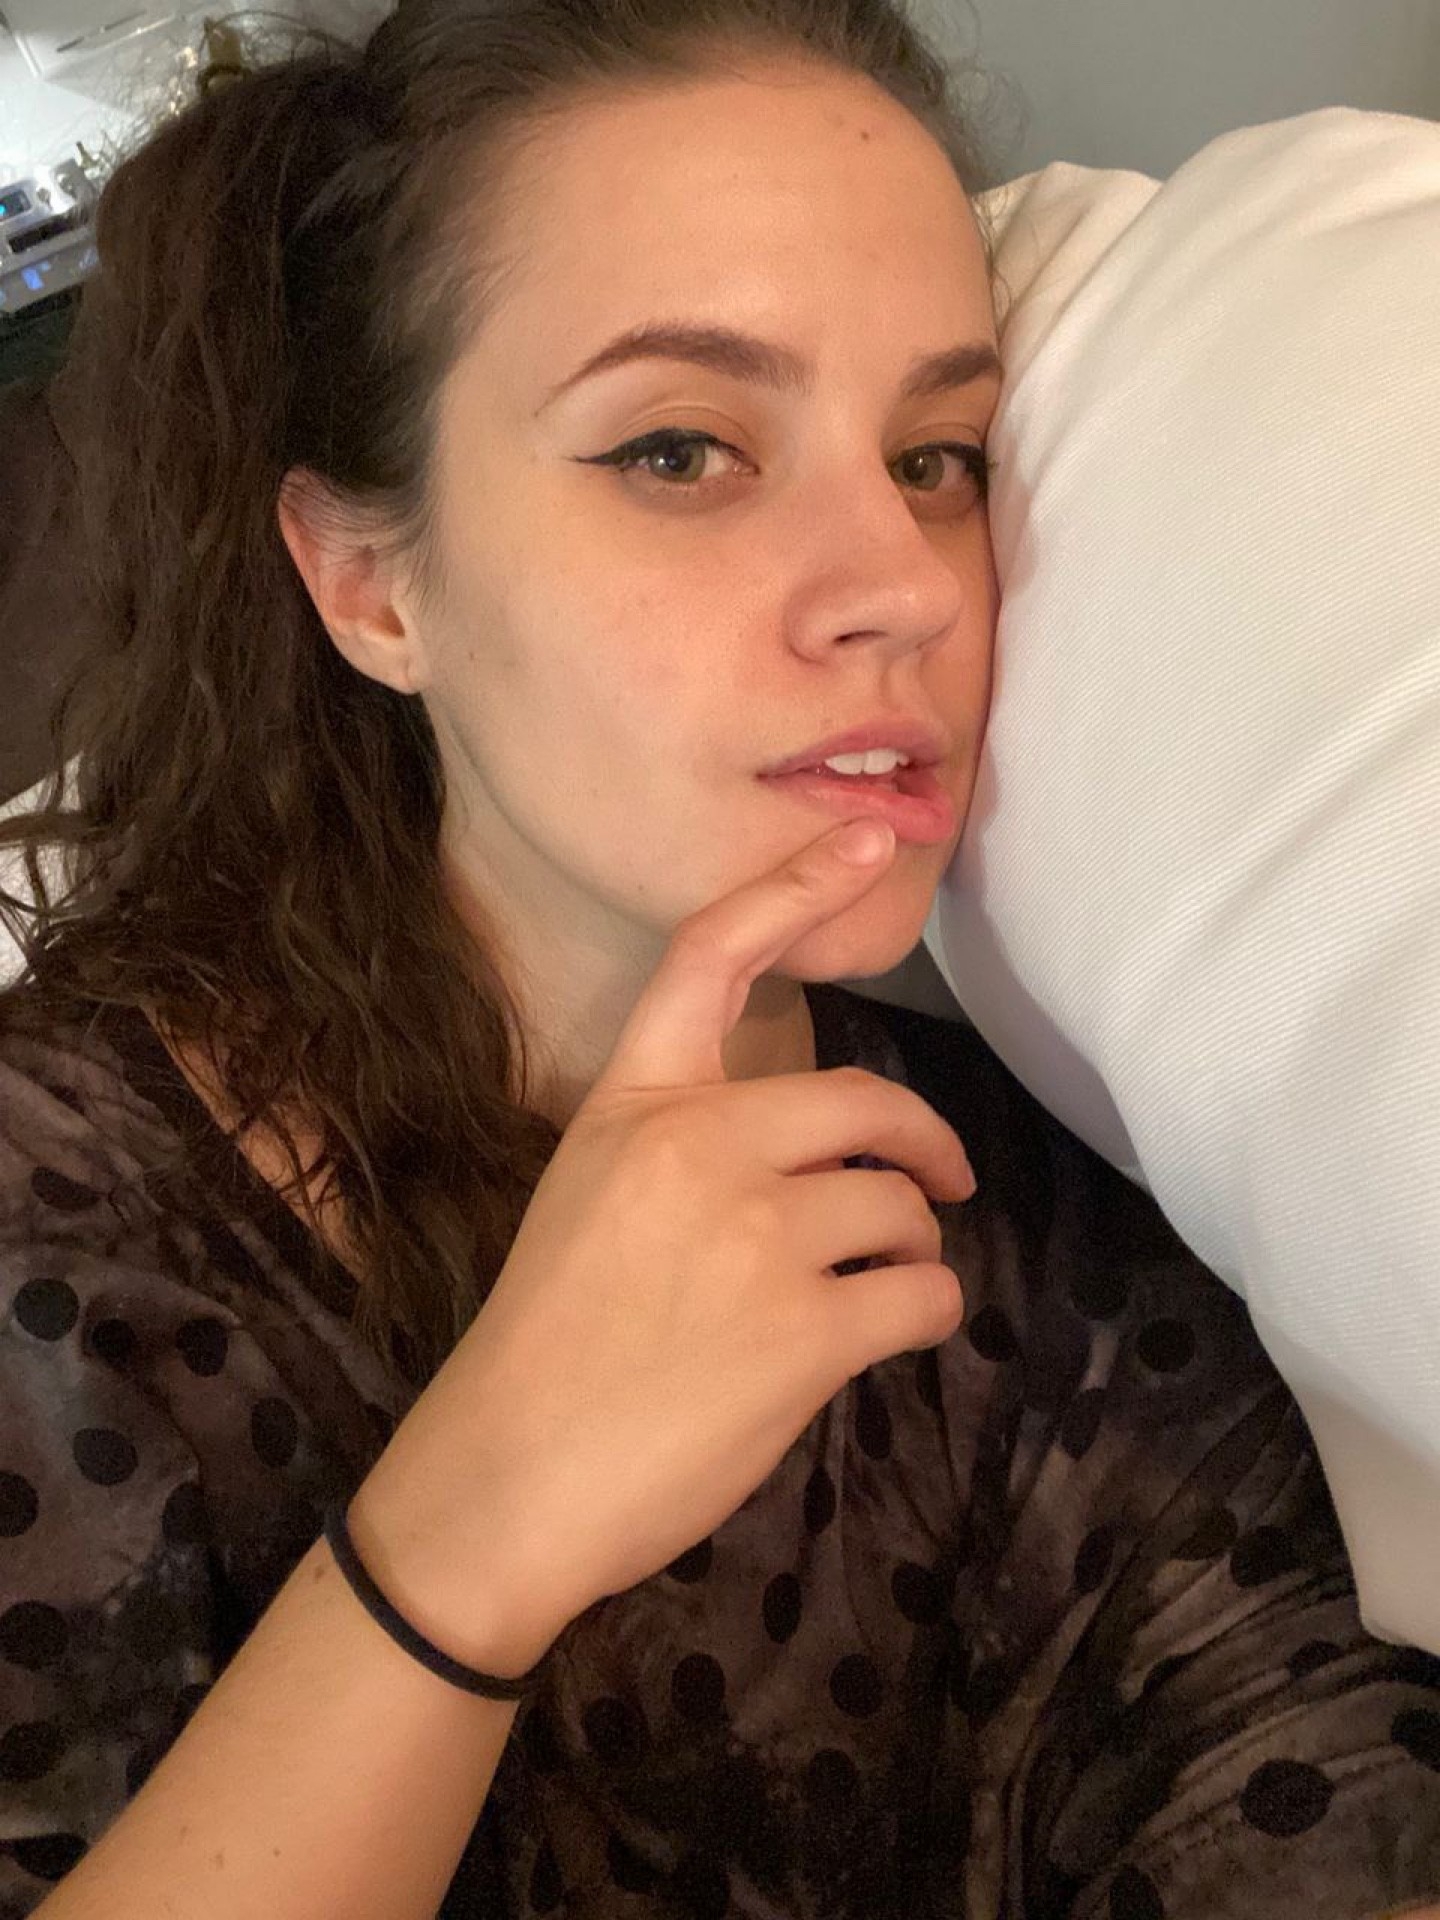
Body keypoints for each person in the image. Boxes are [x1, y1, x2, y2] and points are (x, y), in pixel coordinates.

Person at [2, 1, 1438, 1915]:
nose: (904, 585)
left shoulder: (1056, 1262)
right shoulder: (53, 1238)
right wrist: (470, 1536)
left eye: (937, 455)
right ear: (368, 582)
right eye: (680, 448)